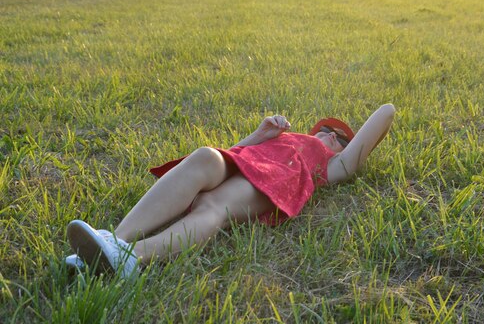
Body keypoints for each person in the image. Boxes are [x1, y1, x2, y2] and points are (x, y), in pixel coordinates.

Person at [66, 104, 395, 277]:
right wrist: (259, 134)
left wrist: (352, 150)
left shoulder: (330, 165)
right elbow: (237, 153)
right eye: (326, 130)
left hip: (278, 179)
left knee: (214, 205)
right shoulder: (283, 137)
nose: (332, 136)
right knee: (205, 156)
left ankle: (129, 259)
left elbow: (387, 111)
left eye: (342, 139)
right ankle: (113, 241)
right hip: (247, 159)